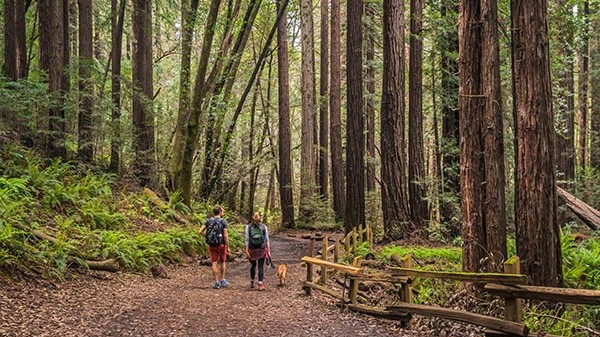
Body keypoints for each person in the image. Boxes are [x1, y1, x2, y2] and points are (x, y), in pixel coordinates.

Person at [199, 206, 230, 289]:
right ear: (219, 212)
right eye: (223, 211)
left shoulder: (208, 221)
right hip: (221, 245)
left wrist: (208, 236)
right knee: (223, 261)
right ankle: (222, 280)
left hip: (212, 245)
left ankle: (216, 282)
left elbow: (200, 231)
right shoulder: (223, 222)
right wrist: (228, 246)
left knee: (214, 262)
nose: (223, 213)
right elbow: (225, 236)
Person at [245, 212, 270, 290]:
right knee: (260, 266)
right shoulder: (264, 227)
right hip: (261, 248)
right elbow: (267, 240)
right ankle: (260, 284)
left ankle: (252, 281)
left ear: (253, 217)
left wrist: (246, 250)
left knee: (253, 265)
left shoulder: (248, 227)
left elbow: (247, 239)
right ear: (260, 217)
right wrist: (268, 251)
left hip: (252, 249)